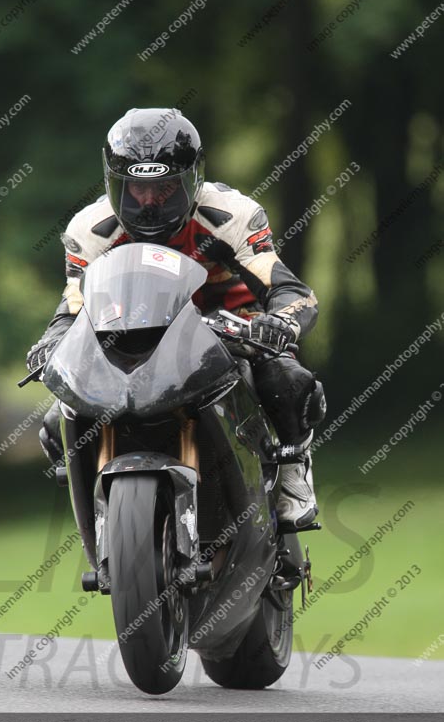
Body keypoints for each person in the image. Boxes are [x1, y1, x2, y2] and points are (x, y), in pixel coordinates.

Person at [26, 108, 326, 529]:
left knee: (288, 381)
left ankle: (293, 468)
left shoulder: (232, 215)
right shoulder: (90, 229)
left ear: (192, 179)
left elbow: (289, 290)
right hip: (135, 336)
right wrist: (51, 343)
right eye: (136, 189)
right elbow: (73, 308)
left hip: (230, 326)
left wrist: (280, 322)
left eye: (164, 189)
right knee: (58, 415)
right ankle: (98, 507)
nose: (149, 202)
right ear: (113, 183)